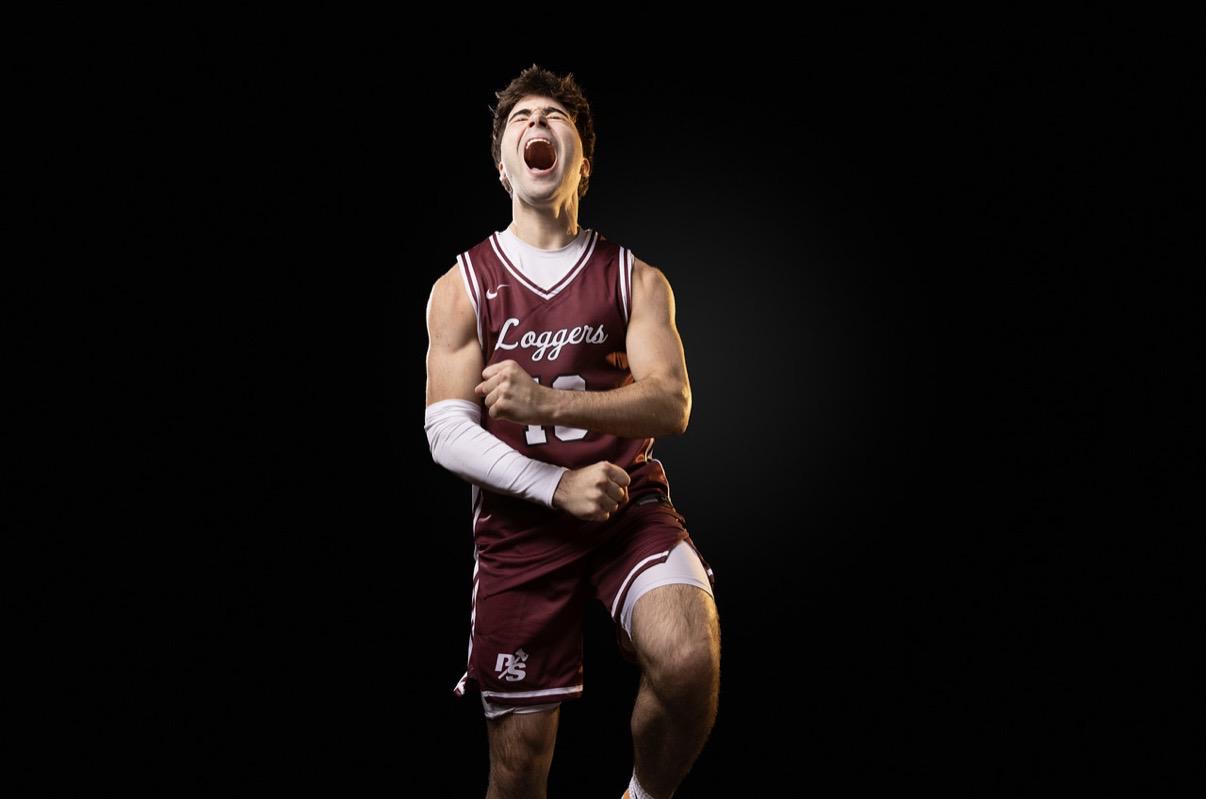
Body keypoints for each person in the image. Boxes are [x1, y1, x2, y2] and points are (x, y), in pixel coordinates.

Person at [424, 64, 720, 799]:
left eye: (554, 116)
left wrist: (548, 406)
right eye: (520, 118)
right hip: (521, 525)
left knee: (690, 661)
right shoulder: (462, 285)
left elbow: (672, 402)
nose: (536, 124)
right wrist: (556, 485)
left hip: (627, 507)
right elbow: (445, 431)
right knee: (519, 768)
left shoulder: (635, 278)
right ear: (503, 166)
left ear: (583, 162)